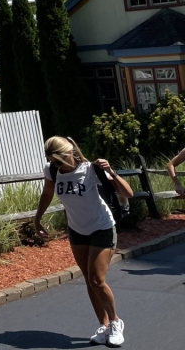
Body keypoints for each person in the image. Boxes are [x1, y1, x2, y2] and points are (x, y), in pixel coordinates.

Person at [34, 136, 133, 347]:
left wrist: (112, 172)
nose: (55, 165)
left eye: (59, 161)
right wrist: (37, 219)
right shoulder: (51, 170)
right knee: (88, 280)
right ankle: (104, 326)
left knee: (97, 279)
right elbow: (47, 193)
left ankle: (116, 322)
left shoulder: (91, 169)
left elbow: (128, 193)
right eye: (52, 161)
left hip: (102, 227)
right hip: (77, 230)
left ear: (69, 154)